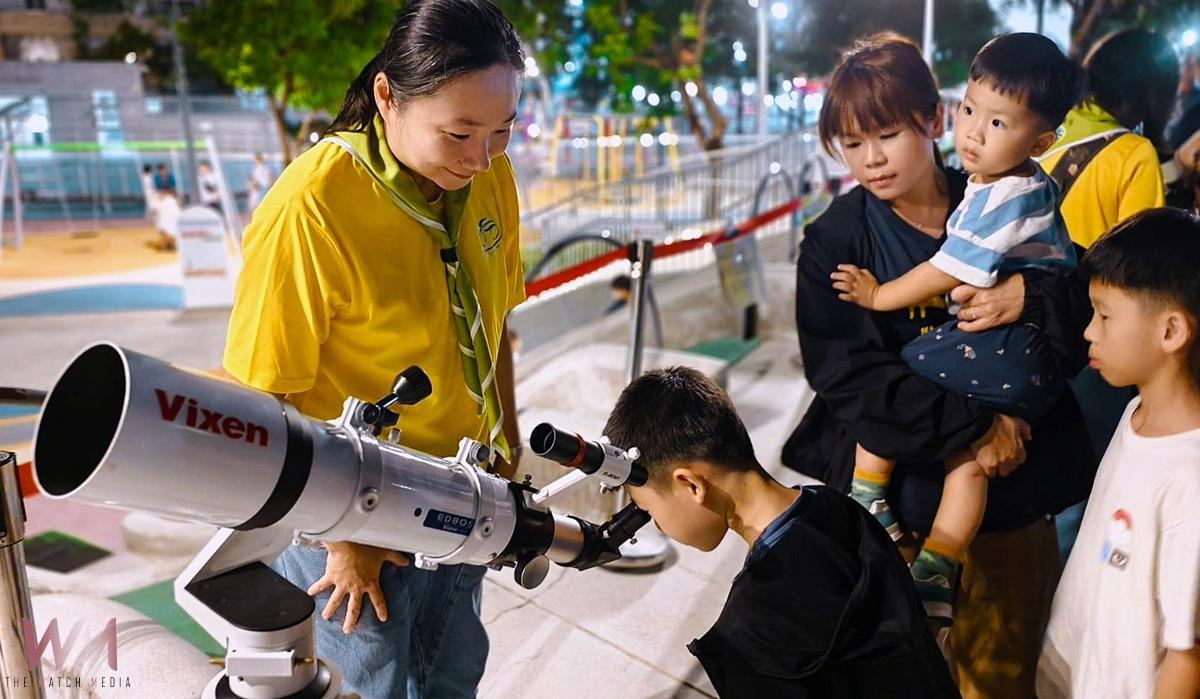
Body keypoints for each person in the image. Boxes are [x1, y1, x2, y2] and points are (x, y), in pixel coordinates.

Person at [221, 2, 527, 696]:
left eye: (502, 130)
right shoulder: (315, 205)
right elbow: (263, 402)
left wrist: (504, 442)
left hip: (464, 491)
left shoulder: (487, 176)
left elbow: (494, 318)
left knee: (451, 669)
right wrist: (339, 535)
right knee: (371, 681)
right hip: (350, 511)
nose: (481, 157)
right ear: (387, 96)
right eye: (458, 132)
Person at [782, 33, 1094, 699]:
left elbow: (1089, 295)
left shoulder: (1005, 197)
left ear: (931, 119)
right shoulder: (837, 242)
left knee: (1001, 675)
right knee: (893, 680)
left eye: (887, 134)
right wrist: (976, 430)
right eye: (851, 142)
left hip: (1015, 502)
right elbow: (848, 376)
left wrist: (1029, 294)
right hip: (900, 511)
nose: (870, 160)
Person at [604, 366, 960, 699]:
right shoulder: (842, 509)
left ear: (691, 484)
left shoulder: (751, 630)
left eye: (650, 510)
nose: (659, 525)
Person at [1037, 208, 1200, 699]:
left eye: (1104, 315)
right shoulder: (1135, 413)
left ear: (1171, 331)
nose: (1089, 330)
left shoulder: (1190, 477)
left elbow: (1187, 655)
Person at [1037, 28, 1179, 558]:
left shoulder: (1047, 142)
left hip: (1033, 341)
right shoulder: (1132, 153)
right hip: (1098, 351)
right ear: (1150, 92)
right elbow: (1149, 267)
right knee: (1085, 487)